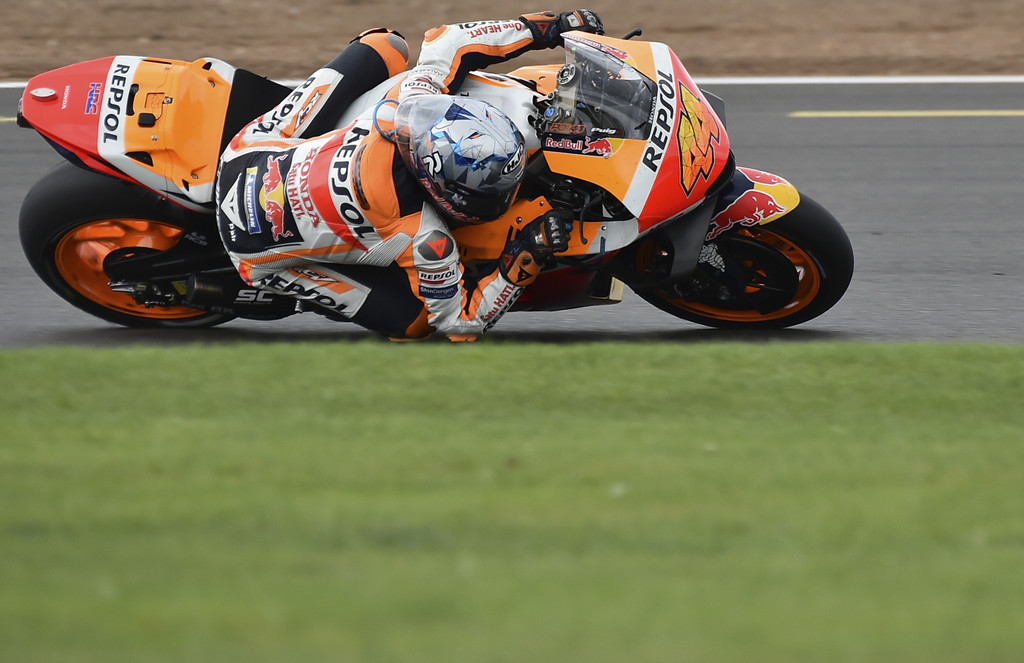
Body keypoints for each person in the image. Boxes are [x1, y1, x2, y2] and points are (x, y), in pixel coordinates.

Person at [215, 10, 604, 340]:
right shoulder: (424, 238)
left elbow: (448, 39)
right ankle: (297, 291)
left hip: (248, 150)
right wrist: (529, 254)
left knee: (385, 44)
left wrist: (546, 28)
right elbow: (461, 322)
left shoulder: (412, 99)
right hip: (254, 251)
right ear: (447, 194)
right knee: (415, 324)